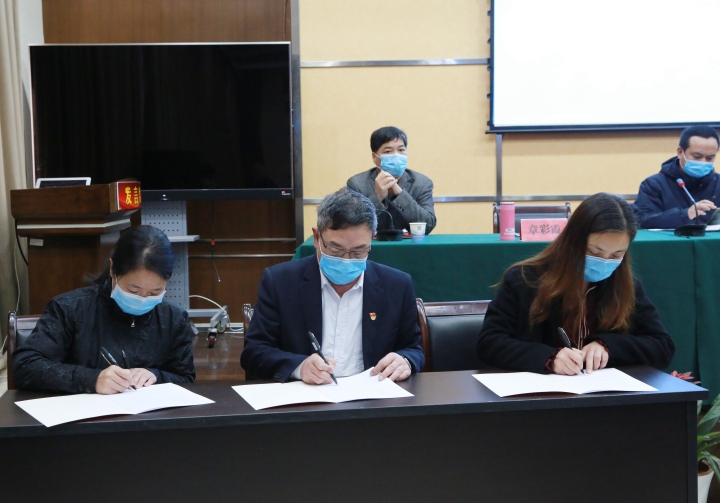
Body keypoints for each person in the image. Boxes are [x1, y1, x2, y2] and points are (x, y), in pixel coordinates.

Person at [477, 193, 675, 375]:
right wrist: (549, 357)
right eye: (595, 252)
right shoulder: (525, 279)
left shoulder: (626, 286)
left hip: (603, 393)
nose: (605, 261)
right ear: (573, 241)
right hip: (543, 394)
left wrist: (607, 346)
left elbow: (662, 346)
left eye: (616, 255)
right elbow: (490, 343)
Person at [241, 187, 424, 383]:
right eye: (336, 250)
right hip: (306, 394)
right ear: (317, 238)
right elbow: (254, 352)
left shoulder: (396, 285)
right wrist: (299, 367)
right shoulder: (280, 282)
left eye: (358, 251)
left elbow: (413, 349)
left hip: (372, 394)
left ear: (371, 240)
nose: (346, 259)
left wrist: (405, 360)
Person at [13, 225, 195, 394]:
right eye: (133, 290)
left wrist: (157, 376)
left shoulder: (173, 319)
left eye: (155, 292)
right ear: (112, 269)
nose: (142, 299)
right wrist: (91, 379)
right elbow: (25, 366)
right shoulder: (71, 309)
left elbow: (186, 377)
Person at [347, 126, 436, 233]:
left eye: (401, 150)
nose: (396, 156)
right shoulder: (357, 184)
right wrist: (377, 196)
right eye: (388, 151)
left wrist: (399, 194)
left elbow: (428, 225)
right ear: (374, 157)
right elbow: (352, 225)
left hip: (409, 243)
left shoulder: (422, 183)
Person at [634, 125, 720, 228]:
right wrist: (685, 215)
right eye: (697, 156)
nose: (703, 162)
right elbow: (641, 220)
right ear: (680, 152)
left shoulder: (718, 183)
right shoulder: (653, 184)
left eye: (710, 158)